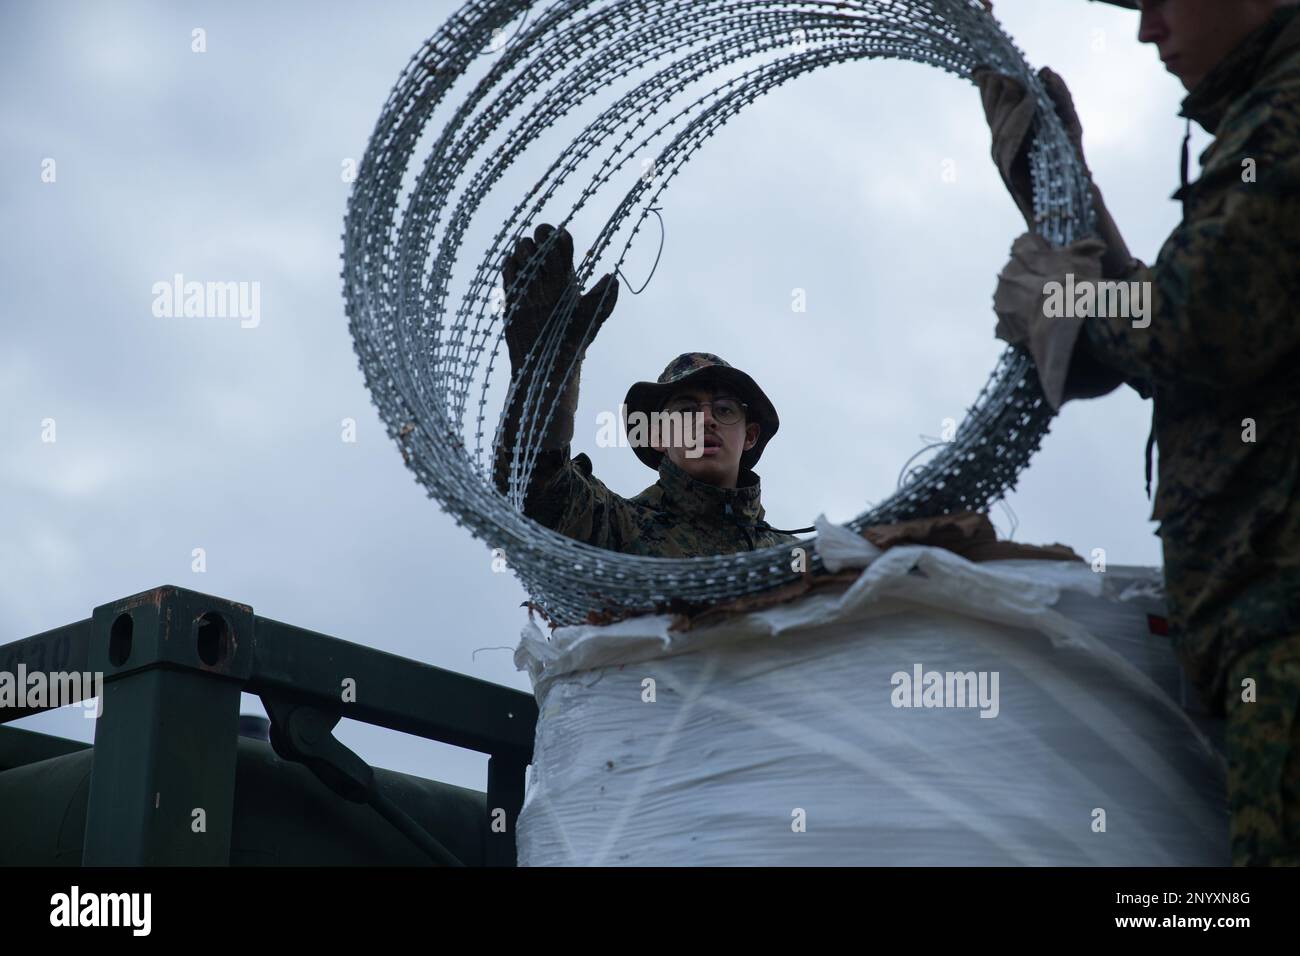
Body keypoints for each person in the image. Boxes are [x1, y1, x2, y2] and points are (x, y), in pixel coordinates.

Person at [977, 0, 1300, 865]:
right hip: (1255, 628)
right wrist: (1062, 188)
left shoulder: (1287, 110)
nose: (1146, 29)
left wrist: (1068, 300)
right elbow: (1189, 330)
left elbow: (1201, 320)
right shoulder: (1260, 117)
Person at [492, 223, 804, 558]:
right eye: (686, 411)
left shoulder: (791, 557)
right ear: (656, 435)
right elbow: (529, 497)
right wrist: (546, 379)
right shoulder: (619, 530)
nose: (706, 421)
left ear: (751, 435)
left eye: (725, 409)